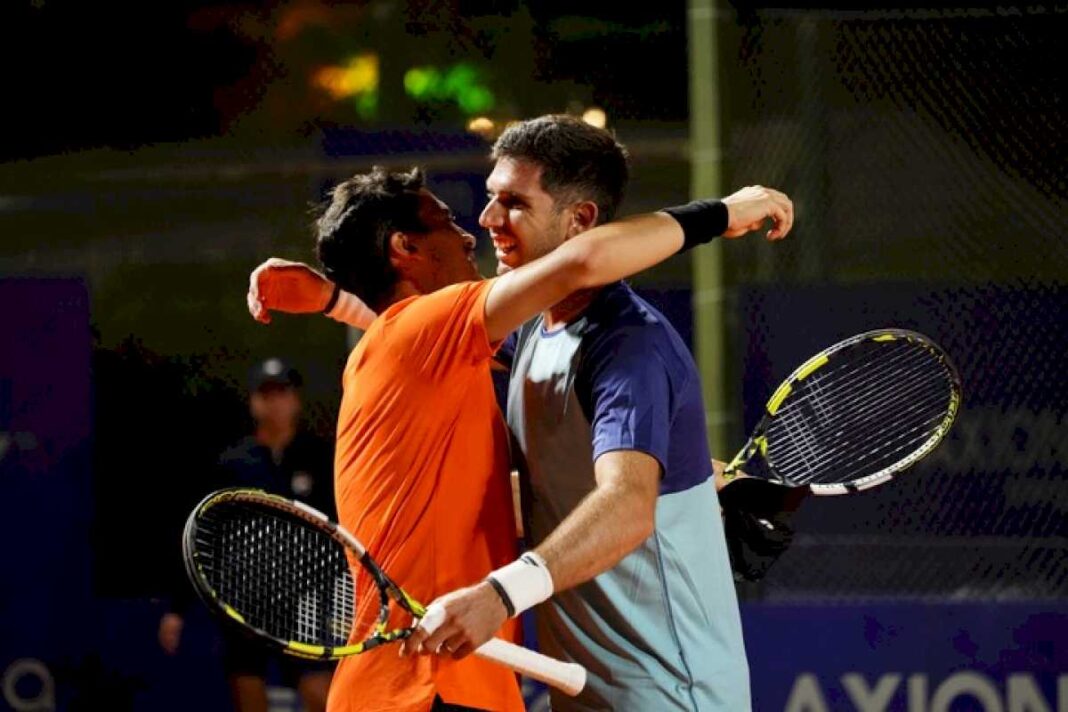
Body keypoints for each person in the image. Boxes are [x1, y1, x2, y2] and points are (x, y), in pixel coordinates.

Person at [248, 151, 791, 711]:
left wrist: (694, 488)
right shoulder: (421, 331)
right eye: (446, 222)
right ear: (405, 249)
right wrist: (722, 213)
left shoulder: (405, 353)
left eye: (509, 204)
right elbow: (584, 263)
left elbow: (518, 476)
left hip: (421, 684)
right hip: (428, 686)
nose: (471, 234)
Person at [158, 358, 335, 712]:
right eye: (266, 395)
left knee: (323, 695)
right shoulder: (233, 463)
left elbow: (343, 530)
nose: (276, 403)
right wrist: (177, 609)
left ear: (295, 400)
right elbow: (203, 534)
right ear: (254, 402)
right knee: (248, 693)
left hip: (307, 601)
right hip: (245, 602)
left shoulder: (320, 458)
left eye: (283, 393)